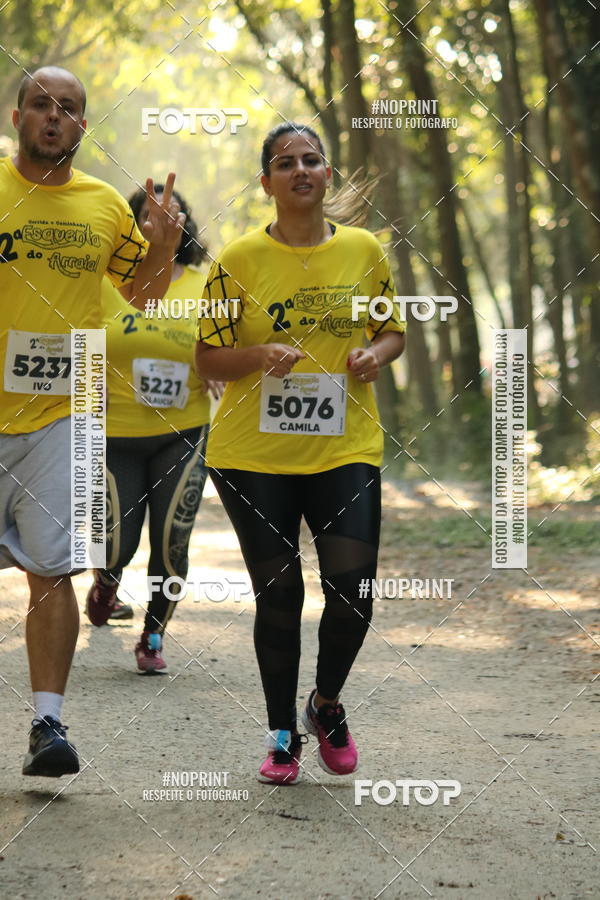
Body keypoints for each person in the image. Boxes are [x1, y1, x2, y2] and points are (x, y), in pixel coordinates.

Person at [195, 122, 406, 785]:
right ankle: (282, 735)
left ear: (328, 175)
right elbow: (208, 356)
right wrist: (258, 356)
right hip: (252, 454)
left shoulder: (364, 251)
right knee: (279, 591)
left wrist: (373, 355)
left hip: (345, 447)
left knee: (353, 591)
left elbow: (391, 331)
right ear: (267, 183)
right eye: (285, 163)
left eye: (312, 159)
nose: (300, 169)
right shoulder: (238, 260)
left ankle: (326, 705)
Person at [0, 66, 184, 777]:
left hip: (62, 418)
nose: (55, 116)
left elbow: (141, 292)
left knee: (52, 571)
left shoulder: (106, 206)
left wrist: (164, 245)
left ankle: (48, 725)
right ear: (18, 115)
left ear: (84, 125)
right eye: (42, 104)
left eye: (70, 108)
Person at [86, 186, 221, 674]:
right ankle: (106, 580)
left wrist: (218, 364)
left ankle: (153, 634)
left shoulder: (206, 284)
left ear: (183, 224)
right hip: (112, 434)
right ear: (129, 224)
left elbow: (226, 342)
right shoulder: (101, 280)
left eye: (168, 215)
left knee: (171, 540)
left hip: (182, 431)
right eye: (146, 215)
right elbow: (78, 341)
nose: (157, 223)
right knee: (116, 543)